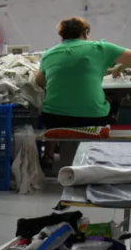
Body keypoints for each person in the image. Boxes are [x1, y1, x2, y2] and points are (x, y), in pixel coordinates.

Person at [36, 17, 131, 165]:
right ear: (85, 32)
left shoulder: (49, 54)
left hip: (55, 119)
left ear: (62, 36)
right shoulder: (101, 48)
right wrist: (122, 66)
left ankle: (50, 156)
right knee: (114, 97)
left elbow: (40, 81)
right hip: (91, 119)